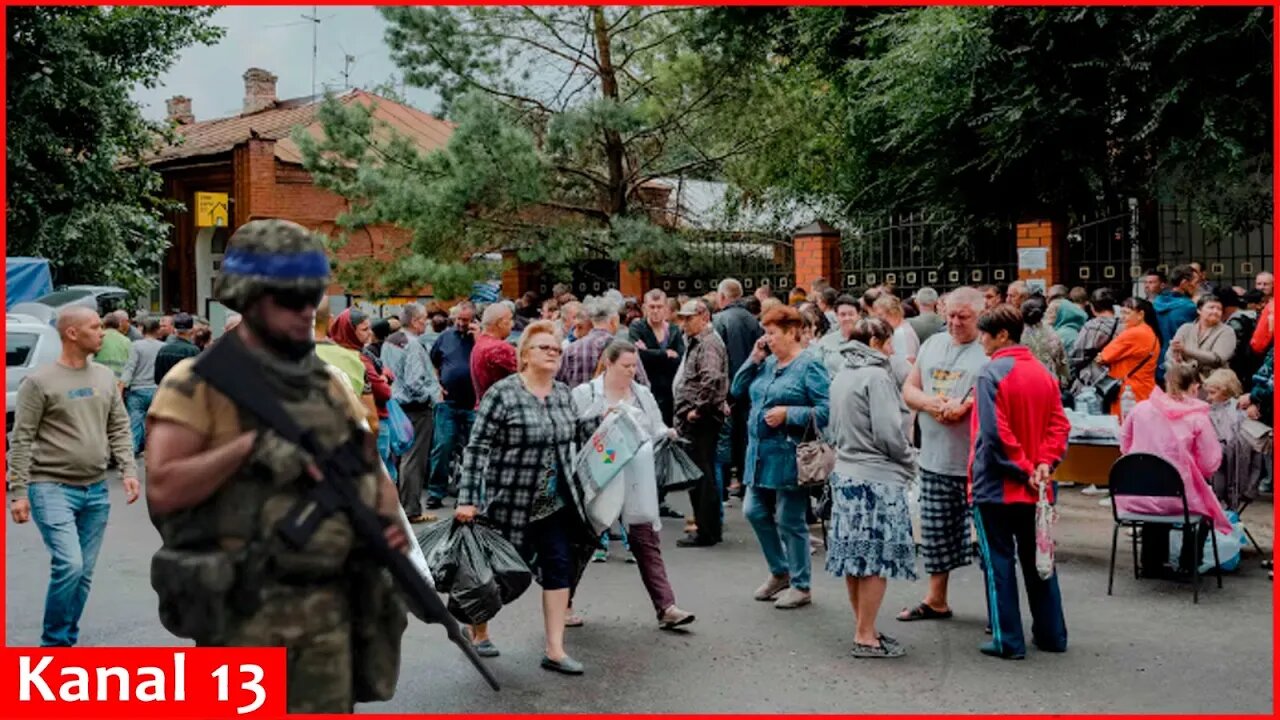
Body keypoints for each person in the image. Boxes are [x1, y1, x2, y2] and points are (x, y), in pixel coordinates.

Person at [144, 219, 410, 713]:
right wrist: (249, 448)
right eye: (290, 299)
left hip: (328, 608)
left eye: (311, 297)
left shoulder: (324, 382)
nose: (305, 311)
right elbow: (163, 488)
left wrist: (391, 535)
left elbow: (369, 469)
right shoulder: (198, 381)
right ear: (247, 296)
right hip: (244, 613)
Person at [454, 321, 600, 675]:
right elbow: (477, 448)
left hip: (556, 502)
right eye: (545, 348)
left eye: (556, 349)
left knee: (558, 567)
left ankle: (554, 649)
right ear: (524, 355)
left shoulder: (565, 393)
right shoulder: (503, 394)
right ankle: (478, 628)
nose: (553, 353)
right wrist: (467, 498)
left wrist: (609, 425)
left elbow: (580, 435)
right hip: (510, 499)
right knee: (497, 574)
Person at [8, 306, 139, 647]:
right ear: (72, 334)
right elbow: (20, 438)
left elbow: (119, 425)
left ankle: (65, 640)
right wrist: (18, 491)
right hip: (50, 487)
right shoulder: (39, 382)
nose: (102, 333)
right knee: (70, 564)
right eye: (95, 327)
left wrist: (128, 469)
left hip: (95, 491)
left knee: (82, 575)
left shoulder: (104, 378)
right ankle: (53, 643)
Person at [570, 340, 696, 630]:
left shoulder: (641, 393)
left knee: (646, 541)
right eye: (625, 366)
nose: (631, 371)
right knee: (583, 544)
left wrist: (667, 433)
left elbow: (655, 426)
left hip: (637, 479)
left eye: (633, 366)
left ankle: (667, 607)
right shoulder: (586, 393)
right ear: (608, 363)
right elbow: (573, 429)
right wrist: (600, 419)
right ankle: (563, 603)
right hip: (599, 480)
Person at [969, 304, 1070, 660]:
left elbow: (995, 435)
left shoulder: (990, 374)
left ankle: (1007, 639)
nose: (980, 339)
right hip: (1038, 487)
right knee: (1039, 560)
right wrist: (1043, 464)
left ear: (1002, 336)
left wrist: (1025, 467)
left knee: (998, 564)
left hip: (997, 487)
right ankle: (1052, 634)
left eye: (985, 333)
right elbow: (1060, 425)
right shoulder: (1043, 373)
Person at [825, 318, 917, 658]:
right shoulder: (877, 376)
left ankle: (864, 626)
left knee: (855, 558)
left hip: (846, 473)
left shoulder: (842, 372)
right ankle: (866, 634)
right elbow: (889, 433)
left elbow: (831, 427)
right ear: (876, 341)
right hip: (877, 478)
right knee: (875, 560)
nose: (893, 349)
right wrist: (909, 460)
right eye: (889, 342)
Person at [898, 287, 988, 623]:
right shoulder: (933, 344)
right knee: (935, 535)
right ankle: (936, 599)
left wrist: (965, 407)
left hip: (973, 463)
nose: (954, 322)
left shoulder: (988, 350)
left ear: (979, 315)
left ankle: (998, 608)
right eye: (949, 314)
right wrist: (931, 404)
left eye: (963, 317)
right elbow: (910, 388)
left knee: (988, 542)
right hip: (934, 458)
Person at [731, 305, 830, 609]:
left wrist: (791, 413)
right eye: (766, 332)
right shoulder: (767, 363)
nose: (768, 338)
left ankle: (801, 585)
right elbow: (736, 390)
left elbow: (826, 410)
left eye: (772, 333)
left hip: (790, 455)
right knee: (753, 511)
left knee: (790, 519)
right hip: (759, 453)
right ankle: (780, 571)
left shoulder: (809, 365)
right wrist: (753, 358)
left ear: (791, 332)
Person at [1118, 362, 1231, 578]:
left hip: (1137, 494)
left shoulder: (1140, 408)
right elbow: (1210, 462)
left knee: (1159, 498)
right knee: (1203, 507)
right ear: (1195, 388)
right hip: (1178, 496)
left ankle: (1151, 563)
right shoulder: (1198, 417)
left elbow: (1125, 445)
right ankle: (1189, 563)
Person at [671, 299, 729, 547]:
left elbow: (711, 377)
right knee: (702, 475)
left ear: (703, 316)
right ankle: (708, 528)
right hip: (699, 417)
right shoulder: (699, 342)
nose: (684, 324)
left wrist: (698, 410)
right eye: (682, 319)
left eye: (688, 318)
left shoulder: (708, 343)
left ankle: (706, 530)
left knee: (701, 476)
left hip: (701, 421)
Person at [387, 303, 443, 521]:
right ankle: (411, 509)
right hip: (415, 408)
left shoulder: (392, 341)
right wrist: (430, 396)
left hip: (395, 406)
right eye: (424, 319)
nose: (426, 323)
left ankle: (400, 507)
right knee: (413, 460)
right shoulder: (413, 345)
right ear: (414, 321)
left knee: (398, 457)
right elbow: (414, 381)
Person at [714, 279, 764, 499]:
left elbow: (716, 357)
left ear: (723, 297)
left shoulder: (720, 320)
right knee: (745, 437)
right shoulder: (754, 322)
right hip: (751, 386)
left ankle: (723, 486)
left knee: (723, 439)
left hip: (727, 388)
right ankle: (746, 483)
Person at [428, 302, 479, 510]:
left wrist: (478, 338)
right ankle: (435, 492)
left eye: (465, 320)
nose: (460, 323)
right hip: (448, 403)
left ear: (473, 320)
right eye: (457, 319)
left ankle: (467, 494)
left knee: (473, 450)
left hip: (473, 404)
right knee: (442, 447)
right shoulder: (445, 337)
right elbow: (434, 361)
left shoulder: (479, 338)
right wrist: (438, 383)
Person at [1203, 369, 1266, 512]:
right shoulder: (1205, 412)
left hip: (1235, 474)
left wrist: (1251, 487)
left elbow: (1256, 452)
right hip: (1216, 474)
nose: (1208, 397)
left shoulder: (1240, 414)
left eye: (1213, 393)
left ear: (1225, 392)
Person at [1095, 297, 1161, 418]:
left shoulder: (1133, 333)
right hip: (1146, 389)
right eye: (1122, 313)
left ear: (1141, 314)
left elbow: (1103, 357)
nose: (1122, 317)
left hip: (1128, 393)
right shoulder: (1151, 333)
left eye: (1127, 313)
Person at [119, 317, 166, 455]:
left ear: (142, 329)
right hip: (157, 389)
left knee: (135, 420)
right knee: (155, 422)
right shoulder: (163, 347)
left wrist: (121, 386)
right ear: (157, 330)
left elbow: (130, 367)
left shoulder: (136, 345)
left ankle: (132, 449)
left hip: (137, 389)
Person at [1170, 293, 1237, 382]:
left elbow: (1217, 359)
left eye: (1219, 309)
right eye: (1211, 307)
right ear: (1199, 310)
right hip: (1186, 381)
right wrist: (1177, 359)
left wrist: (1186, 350)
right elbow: (1171, 353)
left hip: (1215, 383)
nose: (1215, 311)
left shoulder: (1227, 331)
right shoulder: (1185, 328)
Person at [1153, 265, 1199, 383]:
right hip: (1181, 359)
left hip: (1159, 358)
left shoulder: (1157, 302)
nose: (1197, 287)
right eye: (1196, 282)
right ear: (1184, 283)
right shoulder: (1189, 307)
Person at [1068, 288, 1120, 389]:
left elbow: (1077, 353)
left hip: (1094, 377)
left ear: (1092, 307)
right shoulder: (1124, 324)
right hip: (1117, 376)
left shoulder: (1091, 326)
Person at [471, 302, 518, 402]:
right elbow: (529, 374)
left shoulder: (479, 343)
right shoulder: (499, 348)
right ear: (500, 323)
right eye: (510, 320)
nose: (512, 324)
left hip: (484, 407)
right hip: (502, 410)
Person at [1020, 298, 1069, 391]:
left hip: (1024, 382)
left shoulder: (1017, 334)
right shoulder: (1052, 333)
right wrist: (1064, 382)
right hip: (1049, 382)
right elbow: (1062, 362)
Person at [153, 312, 201, 384]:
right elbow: (198, 377)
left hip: (166, 391)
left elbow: (157, 377)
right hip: (186, 392)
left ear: (174, 330)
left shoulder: (163, 350)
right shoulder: (193, 351)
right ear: (192, 330)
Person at [95, 310, 133, 378]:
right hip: (119, 380)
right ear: (119, 325)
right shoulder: (126, 341)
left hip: (100, 378)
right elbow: (130, 364)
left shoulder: (98, 338)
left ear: (103, 324)